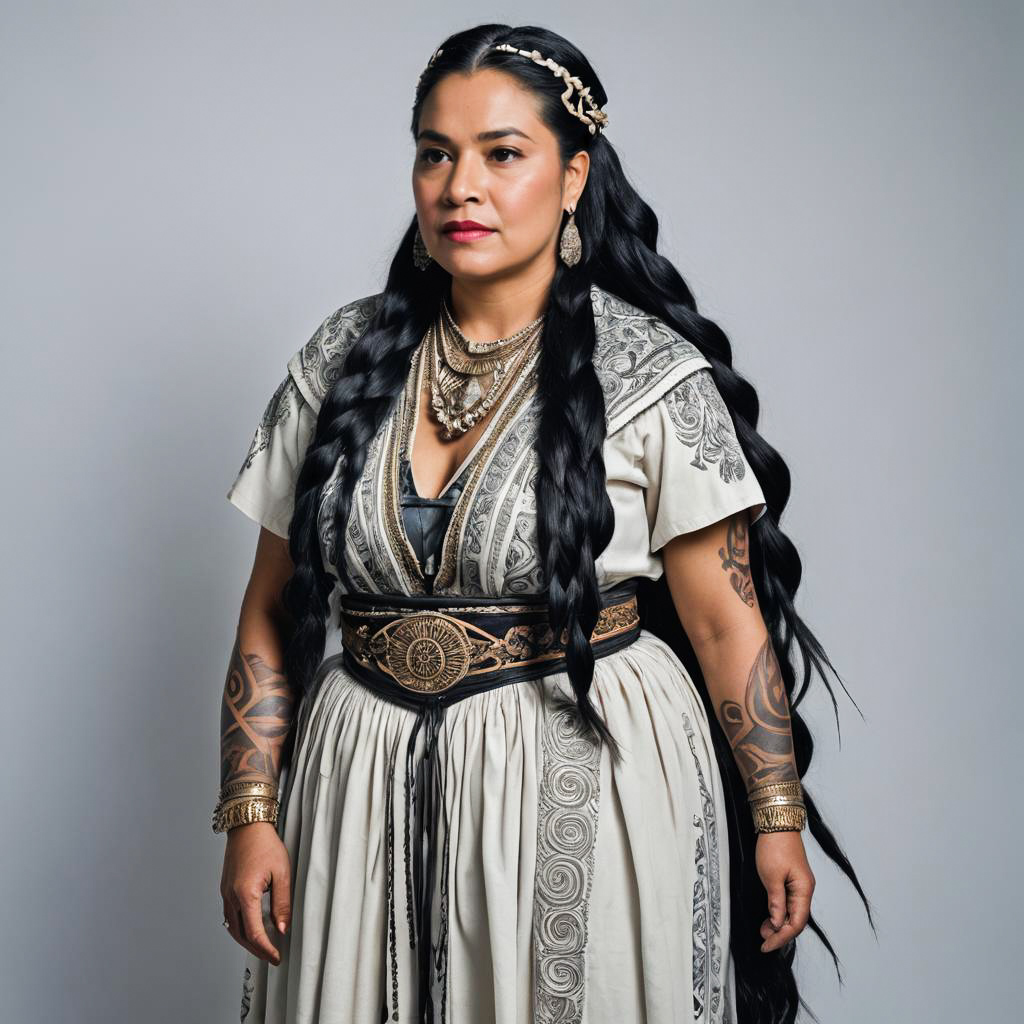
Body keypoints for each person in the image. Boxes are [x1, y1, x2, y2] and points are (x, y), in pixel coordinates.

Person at [215, 23, 871, 1024]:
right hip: (357, 783)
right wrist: (251, 813)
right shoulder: (338, 359)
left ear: (573, 178)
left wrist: (774, 817)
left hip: (581, 772)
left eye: (501, 153)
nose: (457, 186)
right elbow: (269, 611)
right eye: (434, 153)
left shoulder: (648, 375)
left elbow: (724, 624)